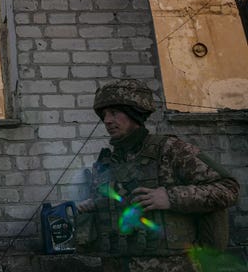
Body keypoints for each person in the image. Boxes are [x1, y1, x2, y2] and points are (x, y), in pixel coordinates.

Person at [75, 79, 239, 272]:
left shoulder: (169, 150)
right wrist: (94, 204)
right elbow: (118, 202)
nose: (107, 121)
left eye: (114, 113)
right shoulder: (107, 161)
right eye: (104, 115)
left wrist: (170, 197)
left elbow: (228, 188)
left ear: (134, 113)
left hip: (173, 265)